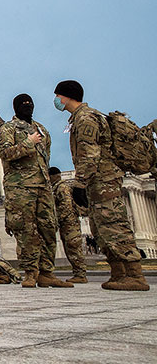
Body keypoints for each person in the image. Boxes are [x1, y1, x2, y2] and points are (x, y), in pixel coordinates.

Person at [55, 80, 148, 291]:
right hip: (97, 183)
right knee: (101, 229)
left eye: (58, 96)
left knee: (115, 227)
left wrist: (80, 183)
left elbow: (89, 154)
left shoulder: (86, 118)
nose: (57, 100)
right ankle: (118, 273)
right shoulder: (80, 118)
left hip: (103, 181)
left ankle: (135, 275)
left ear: (67, 96)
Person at [0, 93, 72, 288]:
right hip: (20, 187)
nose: (27, 106)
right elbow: (4, 153)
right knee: (26, 231)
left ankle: (47, 272)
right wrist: (28, 143)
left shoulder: (42, 130)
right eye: (23, 104)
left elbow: (45, 157)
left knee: (48, 228)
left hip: (43, 185)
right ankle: (30, 272)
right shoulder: (8, 128)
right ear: (15, 107)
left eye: (30, 103)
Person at [48, 166, 87, 283]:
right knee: (70, 247)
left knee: (73, 247)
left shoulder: (62, 187)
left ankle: (80, 274)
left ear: (53, 176)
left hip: (69, 223)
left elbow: (66, 205)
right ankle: (78, 273)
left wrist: (59, 220)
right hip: (67, 222)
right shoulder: (58, 187)